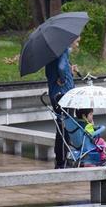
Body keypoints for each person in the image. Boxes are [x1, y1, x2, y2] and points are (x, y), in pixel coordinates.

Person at [45, 37, 80, 169]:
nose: (77, 44)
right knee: (66, 127)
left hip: (54, 93)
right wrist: (64, 78)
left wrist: (68, 70)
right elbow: (61, 66)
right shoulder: (63, 50)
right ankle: (62, 160)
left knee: (61, 126)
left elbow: (51, 72)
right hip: (64, 94)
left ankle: (60, 159)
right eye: (76, 41)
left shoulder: (51, 53)